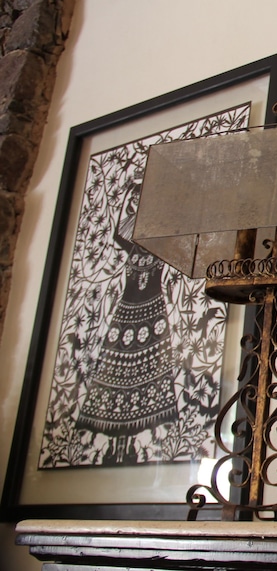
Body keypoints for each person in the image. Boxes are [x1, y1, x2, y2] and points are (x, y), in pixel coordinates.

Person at [76, 177, 178, 465]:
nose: (136, 204)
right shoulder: (131, 243)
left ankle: (132, 443)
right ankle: (115, 446)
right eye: (135, 200)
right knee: (118, 375)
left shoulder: (162, 243)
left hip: (151, 315)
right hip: (126, 315)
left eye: (140, 200)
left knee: (145, 375)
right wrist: (128, 201)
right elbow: (117, 234)